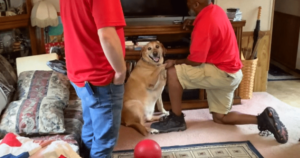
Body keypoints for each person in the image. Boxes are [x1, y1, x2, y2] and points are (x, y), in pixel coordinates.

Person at [150, 0, 288, 144]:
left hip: (220, 73)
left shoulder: (203, 25)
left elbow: (196, 61)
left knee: (172, 72)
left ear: (196, 4)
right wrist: (194, 22)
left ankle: (176, 119)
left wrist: (175, 61)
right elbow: (210, 28)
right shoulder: (216, 10)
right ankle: (263, 119)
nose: (186, 6)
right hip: (233, 74)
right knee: (220, 118)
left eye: (189, 3)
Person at [60, 0, 127, 157]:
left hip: (80, 75)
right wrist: (121, 71)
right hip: (101, 78)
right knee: (104, 141)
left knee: (90, 129)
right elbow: (107, 36)